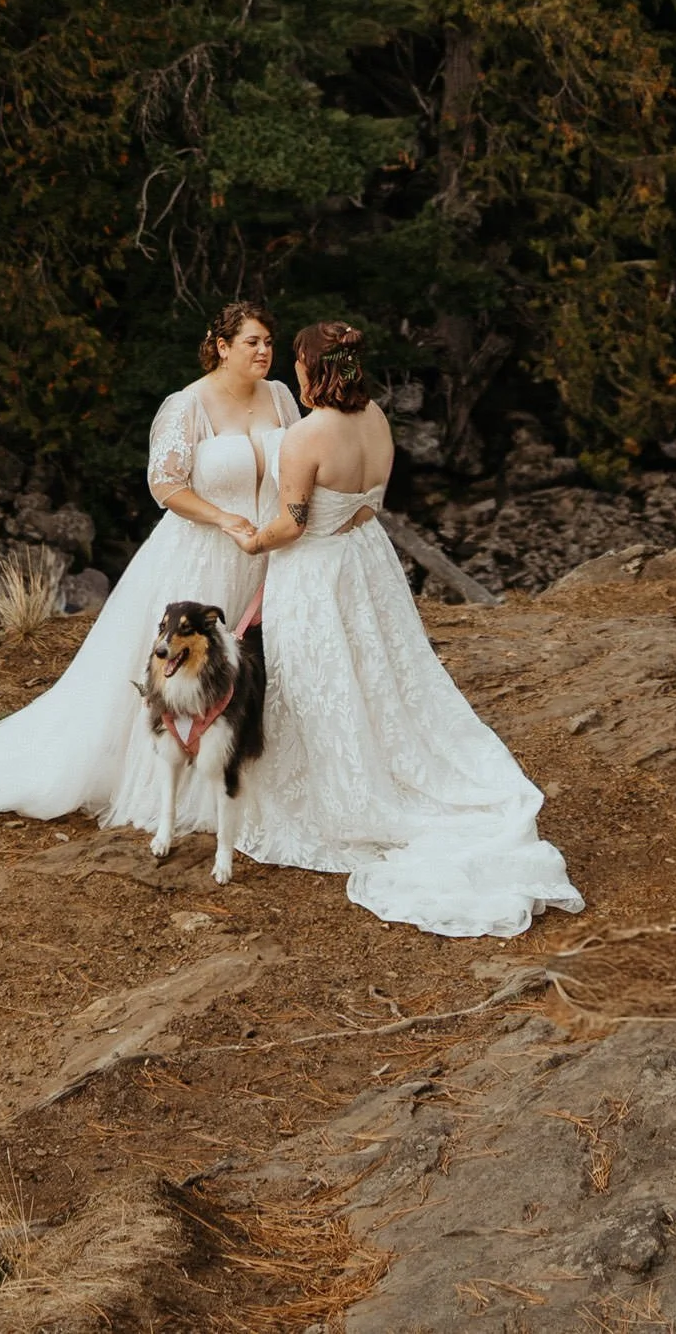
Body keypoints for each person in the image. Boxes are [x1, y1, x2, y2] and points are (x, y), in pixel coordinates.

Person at [234, 319, 581, 940]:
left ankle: (338, 786)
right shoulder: (375, 420)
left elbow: (290, 525)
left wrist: (252, 540)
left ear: (315, 368)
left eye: (299, 362)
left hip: (316, 570)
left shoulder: (305, 436)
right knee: (377, 669)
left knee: (319, 677)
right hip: (366, 559)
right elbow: (372, 504)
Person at [0, 299, 299, 835]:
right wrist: (225, 519)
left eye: (269, 342)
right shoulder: (187, 405)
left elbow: (298, 469)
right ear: (221, 346)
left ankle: (249, 766)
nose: (264, 351)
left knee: (259, 668)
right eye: (253, 342)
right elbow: (165, 486)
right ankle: (175, 785)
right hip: (206, 552)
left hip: (269, 551)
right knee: (188, 674)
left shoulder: (281, 396)